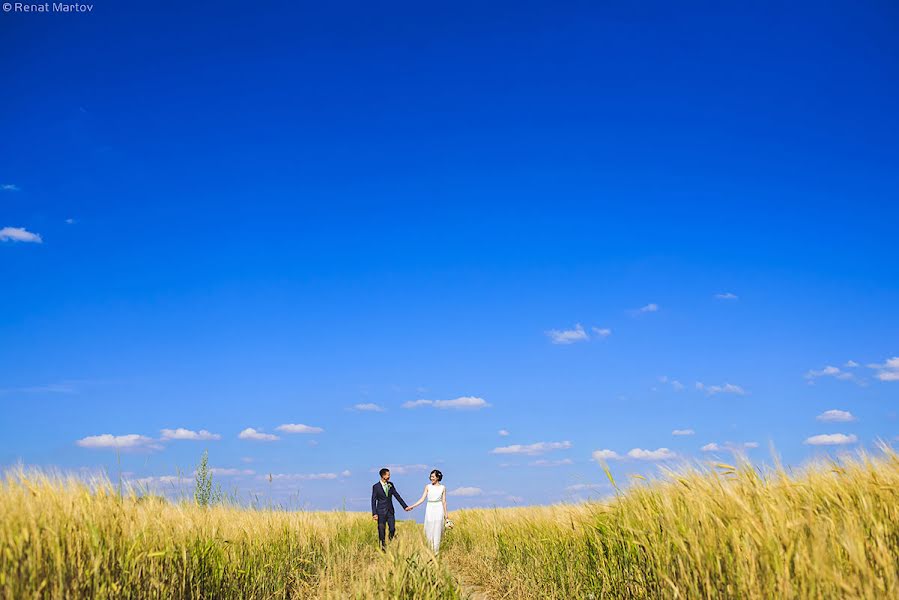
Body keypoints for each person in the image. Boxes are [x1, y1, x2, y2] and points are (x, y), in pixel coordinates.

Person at [407, 469, 449, 553]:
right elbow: (422, 499)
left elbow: (444, 501)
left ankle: (436, 551)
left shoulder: (443, 487)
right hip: (430, 508)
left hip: (439, 508)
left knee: (437, 528)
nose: (431, 478)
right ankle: (429, 549)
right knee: (429, 528)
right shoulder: (428, 487)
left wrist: (446, 515)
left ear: (438, 477)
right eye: (431, 476)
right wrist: (412, 506)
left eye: (433, 476)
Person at [371, 468, 411, 549]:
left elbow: (397, 496)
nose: (389, 476)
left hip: (390, 511)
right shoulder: (376, 486)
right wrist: (374, 513)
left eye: (389, 475)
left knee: (392, 529)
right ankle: (383, 546)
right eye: (388, 475)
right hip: (380, 512)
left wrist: (405, 506)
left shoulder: (391, 485)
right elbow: (373, 500)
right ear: (383, 475)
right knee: (381, 530)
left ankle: (389, 542)